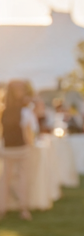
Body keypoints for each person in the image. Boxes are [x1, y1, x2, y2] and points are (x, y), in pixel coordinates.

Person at [0, 80, 35, 220]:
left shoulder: (3, 111)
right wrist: (31, 145)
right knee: (22, 178)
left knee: (5, 179)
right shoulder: (25, 112)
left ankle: (2, 208)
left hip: (7, 148)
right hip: (21, 148)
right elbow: (28, 133)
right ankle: (23, 209)